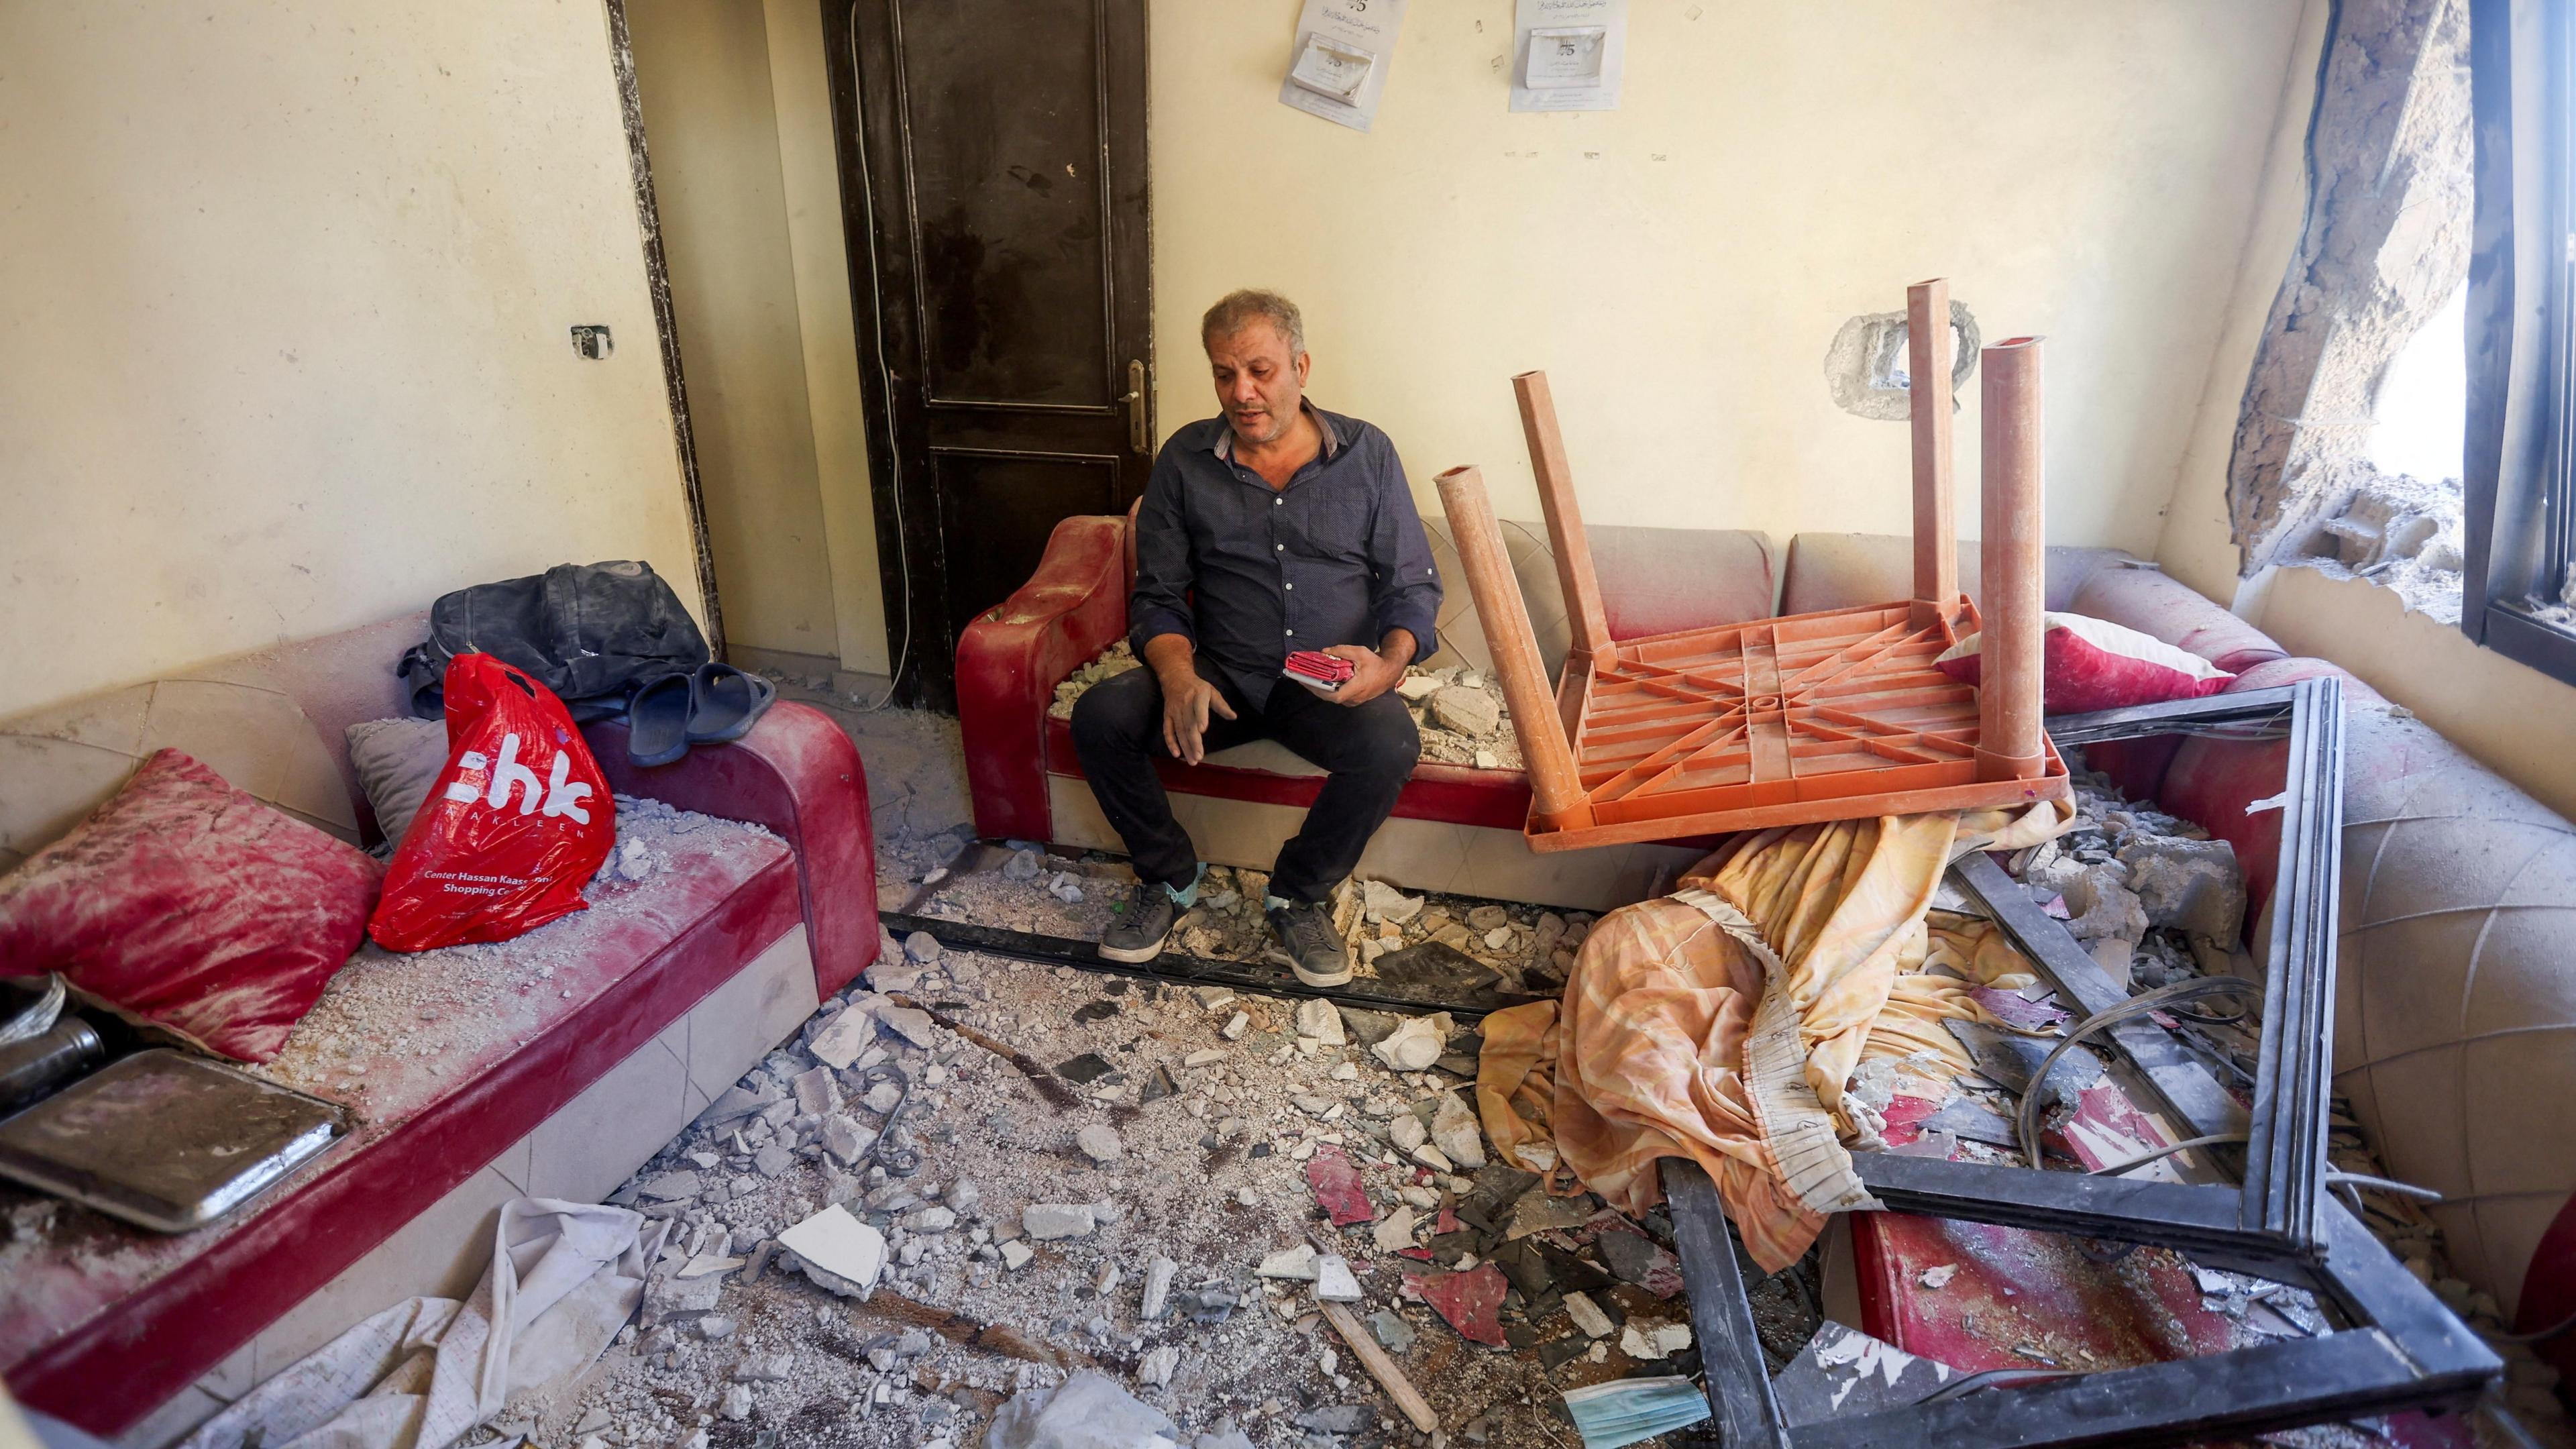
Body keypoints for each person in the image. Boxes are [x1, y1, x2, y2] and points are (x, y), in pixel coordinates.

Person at [1071, 289, 1440, 985]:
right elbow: (1156, 595)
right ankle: (1169, 877)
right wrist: (1179, 678)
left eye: (1261, 371)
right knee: (1101, 717)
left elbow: (1413, 587)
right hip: (1223, 672)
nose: (1241, 393)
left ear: (1301, 366)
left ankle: (1297, 894)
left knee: (1392, 743)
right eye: (1223, 373)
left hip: (1323, 680)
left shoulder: (1368, 455)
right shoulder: (1185, 459)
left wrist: (1387, 667)